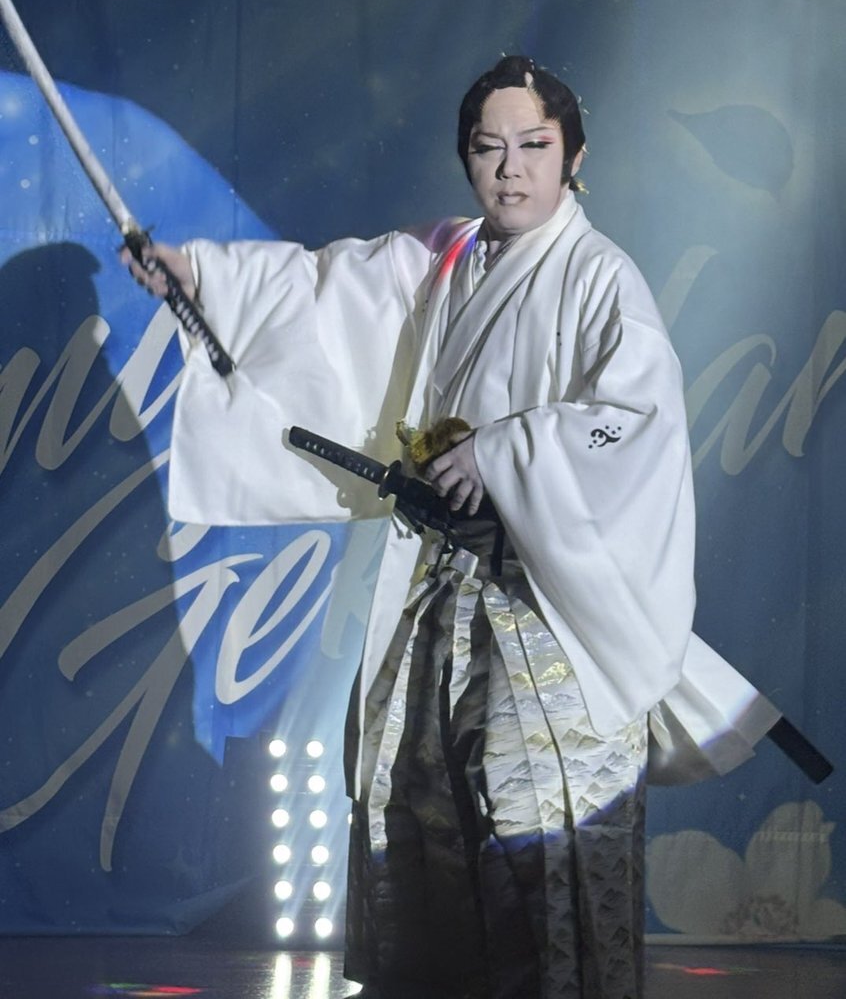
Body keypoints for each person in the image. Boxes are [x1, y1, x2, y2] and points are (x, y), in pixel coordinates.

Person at [124, 56, 780, 999]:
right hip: (444, 594)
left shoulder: (601, 278)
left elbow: (633, 423)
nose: (510, 169)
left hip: (549, 609)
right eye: (487, 147)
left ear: (575, 156)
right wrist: (196, 276)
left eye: (534, 145)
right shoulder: (447, 258)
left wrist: (505, 450)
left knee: (536, 833)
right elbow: (320, 292)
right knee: (416, 813)